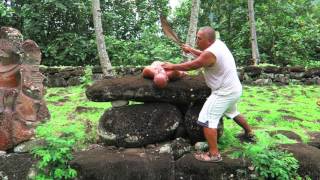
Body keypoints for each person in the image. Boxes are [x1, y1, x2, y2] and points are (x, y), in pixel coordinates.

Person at [162, 26, 254, 162]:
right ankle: (250, 134)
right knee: (232, 112)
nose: (196, 40)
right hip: (234, 89)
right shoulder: (219, 45)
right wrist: (191, 50)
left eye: (199, 38)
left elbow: (193, 65)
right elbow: (204, 55)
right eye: (197, 37)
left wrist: (172, 66)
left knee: (207, 120)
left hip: (223, 92)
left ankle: (214, 154)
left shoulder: (210, 53)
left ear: (209, 41)